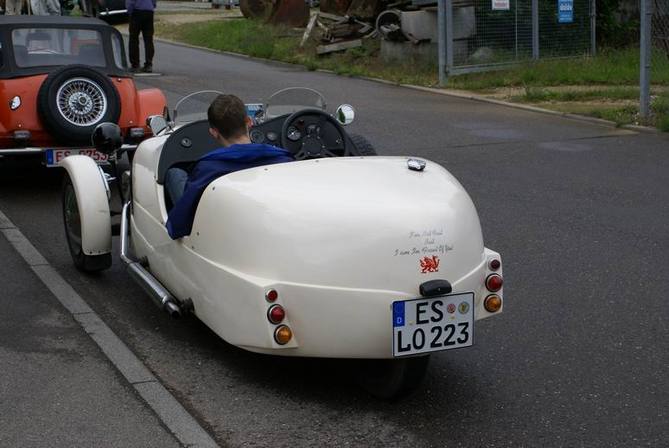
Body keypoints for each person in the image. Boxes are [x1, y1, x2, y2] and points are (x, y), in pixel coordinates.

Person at [165, 94, 294, 240]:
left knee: (175, 173)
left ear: (213, 132)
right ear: (249, 121)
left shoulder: (207, 168)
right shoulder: (283, 159)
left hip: (221, 235)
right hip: (272, 226)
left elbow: (177, 226)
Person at [126, 0, 156, 73]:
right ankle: (148, 64)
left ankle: (135, 64)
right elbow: (154, 2)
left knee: (133, 39)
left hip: (137, 12)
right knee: (148, 39)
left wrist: (129, 11)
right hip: (149, 11)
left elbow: (130, 2)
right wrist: (152, 6)